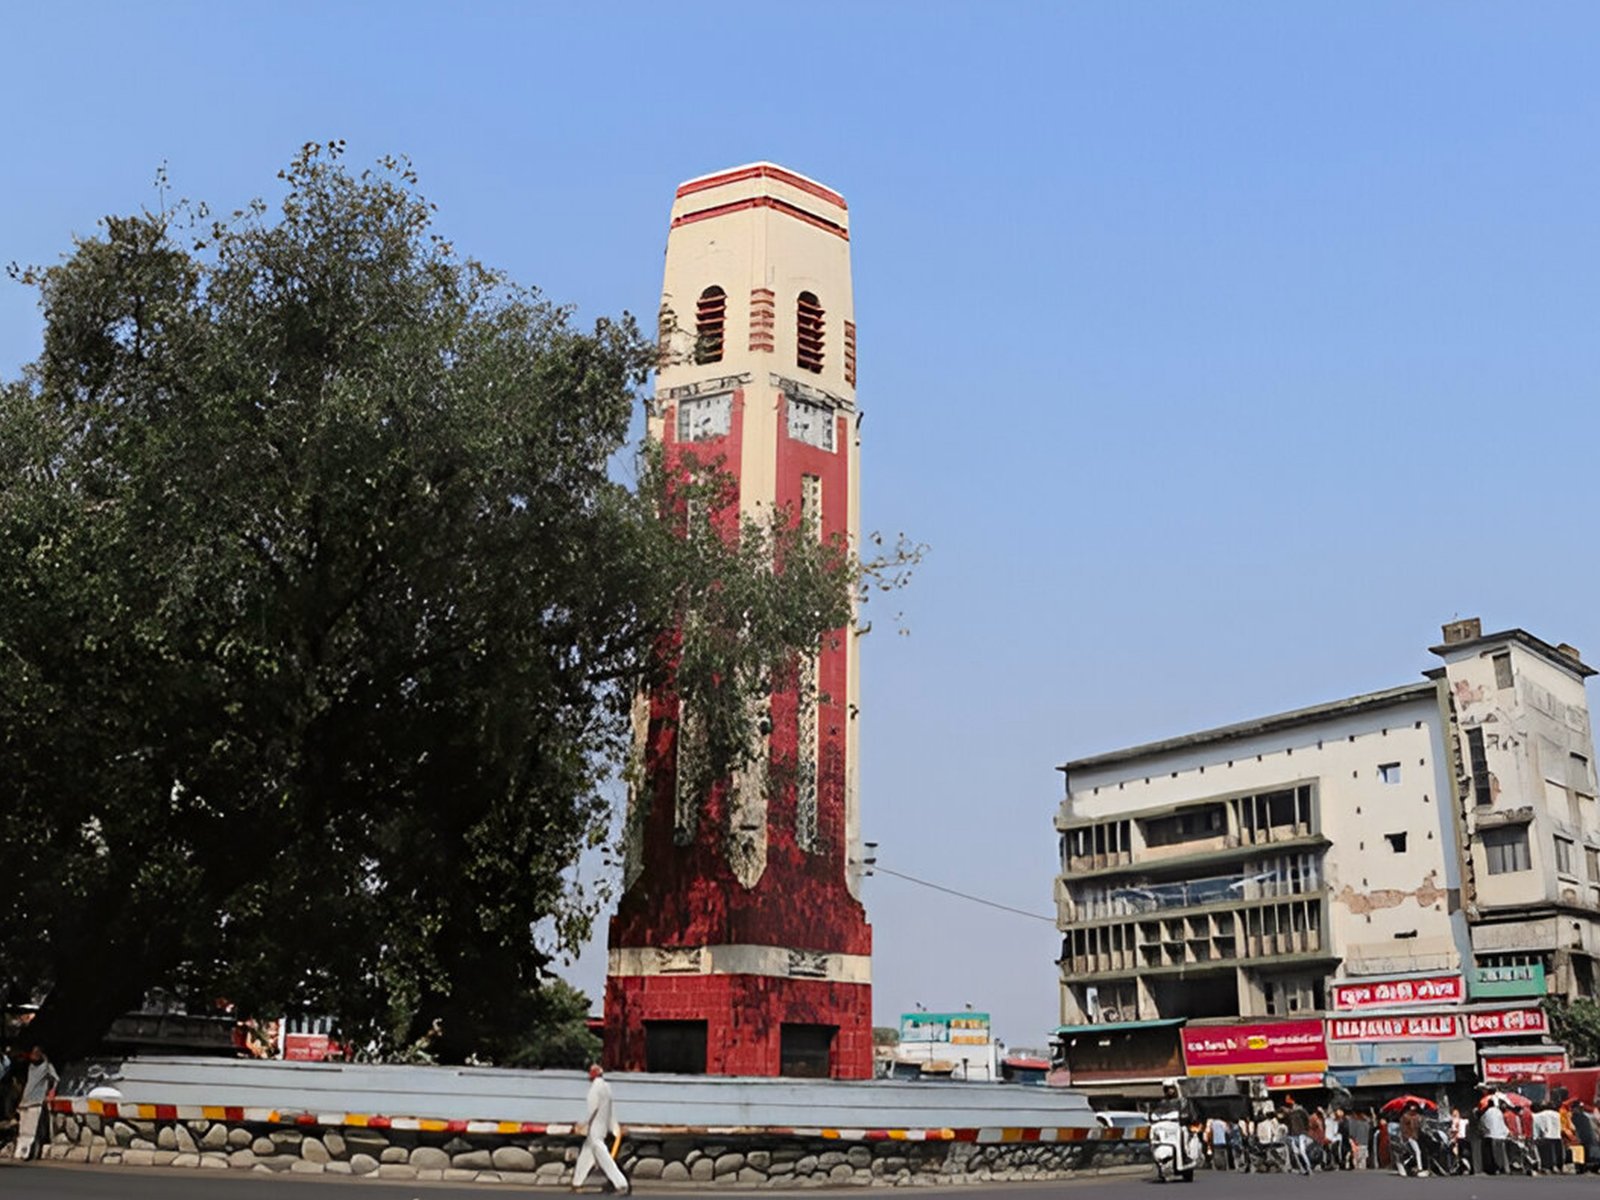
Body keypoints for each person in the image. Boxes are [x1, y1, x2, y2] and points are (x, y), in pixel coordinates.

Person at [571, 1063, 628, 1195]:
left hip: (594, 1128)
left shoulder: (594, 1089)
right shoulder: (607, 1088)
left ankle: (621, 1184)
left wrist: (582, 1124)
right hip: (602, 1127)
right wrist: (614, 1127)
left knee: (603, 1155)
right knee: (586, 1154)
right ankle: (577, 1182)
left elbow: (592, 1110)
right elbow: (610, 1110)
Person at [12, 1046, 58, 1160]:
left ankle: (27, 1151)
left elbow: (56, 1079)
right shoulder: (30, 1066)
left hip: (36, 1101)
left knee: (31, 1130)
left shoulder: (46, 1066)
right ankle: (20, 1151)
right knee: (23, 1129)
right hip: (25, 1101)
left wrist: (51, 1093)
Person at [1397, 1102, 1427, 1177]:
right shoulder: (1406, 1117)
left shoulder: (1415, 1116)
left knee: (1413, 1153)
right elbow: (1404, 1128)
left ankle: (1406, 1164)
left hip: (1413, 1137)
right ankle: (1419, 1168)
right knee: (1417, 1151)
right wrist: (1406, 1137)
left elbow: (1420, 1125)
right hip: (1410, 1137)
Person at [1283, 1098, 1312, 1176]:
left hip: (1300, 1134)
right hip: (1293, 1135)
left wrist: (1306, 1130)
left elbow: (1307, 1120)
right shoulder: (1289, 1115)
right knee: (1296, 1152)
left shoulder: (1300, 1112)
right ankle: (1302, 1168)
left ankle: (1308, 1167)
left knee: (1302, 1151)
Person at [1535, 1102, 1564, 1173]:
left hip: (1547, 1135)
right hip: (1557, 1135)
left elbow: (1539, 1124)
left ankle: (1548, 1167)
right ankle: (1558, 1167)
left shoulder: (1541, 1114)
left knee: (1547, 1154)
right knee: (1557, 1153)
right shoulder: (1557, 1114)